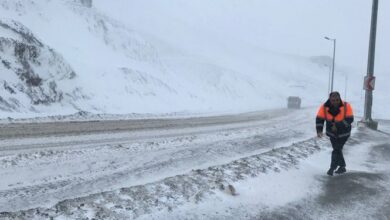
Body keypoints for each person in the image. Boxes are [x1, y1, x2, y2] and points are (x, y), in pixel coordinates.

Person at [316, 91, 354, 176]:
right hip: (332, 134)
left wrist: (337, 125)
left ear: (339, 98)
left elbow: (350, 119)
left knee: (336, 149)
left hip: (344, 133)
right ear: (330, 99)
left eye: (337, 99)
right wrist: (319, 130)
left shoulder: (346, 106)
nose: (335, 101)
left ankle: (332, 168)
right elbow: (319, 119)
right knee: (338, 149)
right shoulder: (324, 107)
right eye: (333, 100)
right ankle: (342, 167)